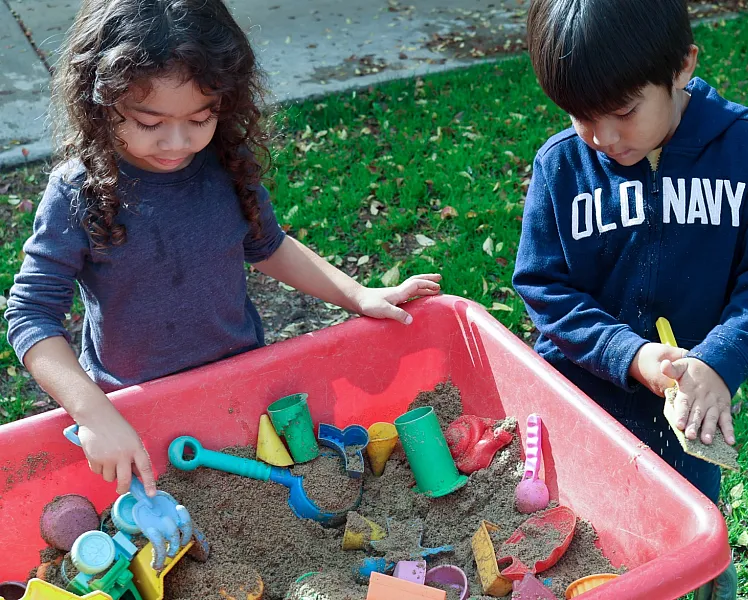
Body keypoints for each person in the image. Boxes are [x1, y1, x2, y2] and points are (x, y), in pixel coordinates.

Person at [4, 0, 440, 498]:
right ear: (100, 102)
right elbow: (32, 315)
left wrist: (357, 295)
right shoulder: (77, 192)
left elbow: (268, 246)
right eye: (149, 122)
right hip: (132, 406)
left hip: (239, 385)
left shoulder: (225, 165)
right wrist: (93, 411)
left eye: (200, 117)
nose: (177, 142)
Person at [513, 0, 748, 597]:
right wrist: (627, 353)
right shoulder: (561, 169)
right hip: (586, 412)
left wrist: (718, 359)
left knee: (689, 547)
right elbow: (545, 289)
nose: (601, 137)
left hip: (690, 416)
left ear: (681, 68)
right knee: (593, 550)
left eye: (623, 112)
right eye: (580, 116)